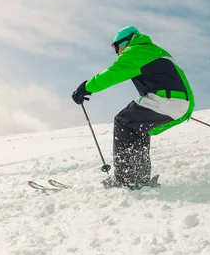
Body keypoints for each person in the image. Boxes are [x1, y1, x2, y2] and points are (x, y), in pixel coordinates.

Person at [72, 26, 195, 189]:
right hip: (177, 101)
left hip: (165, 99)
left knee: (124, 122)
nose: (117, 52)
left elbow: (111, 74)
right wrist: (184, 109)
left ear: (124, 41)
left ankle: (126, 179)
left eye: (115, 47)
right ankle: (139, 177)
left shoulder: (135, 51)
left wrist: (85, 88)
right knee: (137, 129)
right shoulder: (155, 51)